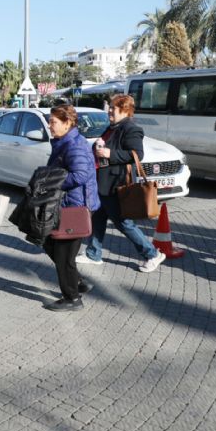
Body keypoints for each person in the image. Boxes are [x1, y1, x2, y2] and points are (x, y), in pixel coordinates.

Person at [76, 94, 166, 272]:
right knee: (98, 218)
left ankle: (152, 254)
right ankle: (94, 254)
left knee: (124, 223)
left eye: (113, 108)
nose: (109, 111)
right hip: (103, 182)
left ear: (124, 110)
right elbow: (104, 149)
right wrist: (98, 147)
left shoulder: (131, 129)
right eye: (109, 107)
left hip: (115, 184)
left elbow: (136, 154)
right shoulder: (112, 127)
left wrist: (110, 154)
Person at [42, 104, 100, 311]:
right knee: (49, 243)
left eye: (53, 122)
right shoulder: (64, 141)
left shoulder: (74, 145)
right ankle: (79, 283)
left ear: (67, 123)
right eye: (50, 121)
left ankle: (72, 298)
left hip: (75, 208)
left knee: (63, 255)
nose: (49, 125)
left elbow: (80, 175)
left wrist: (52, 181)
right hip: (67, 204)